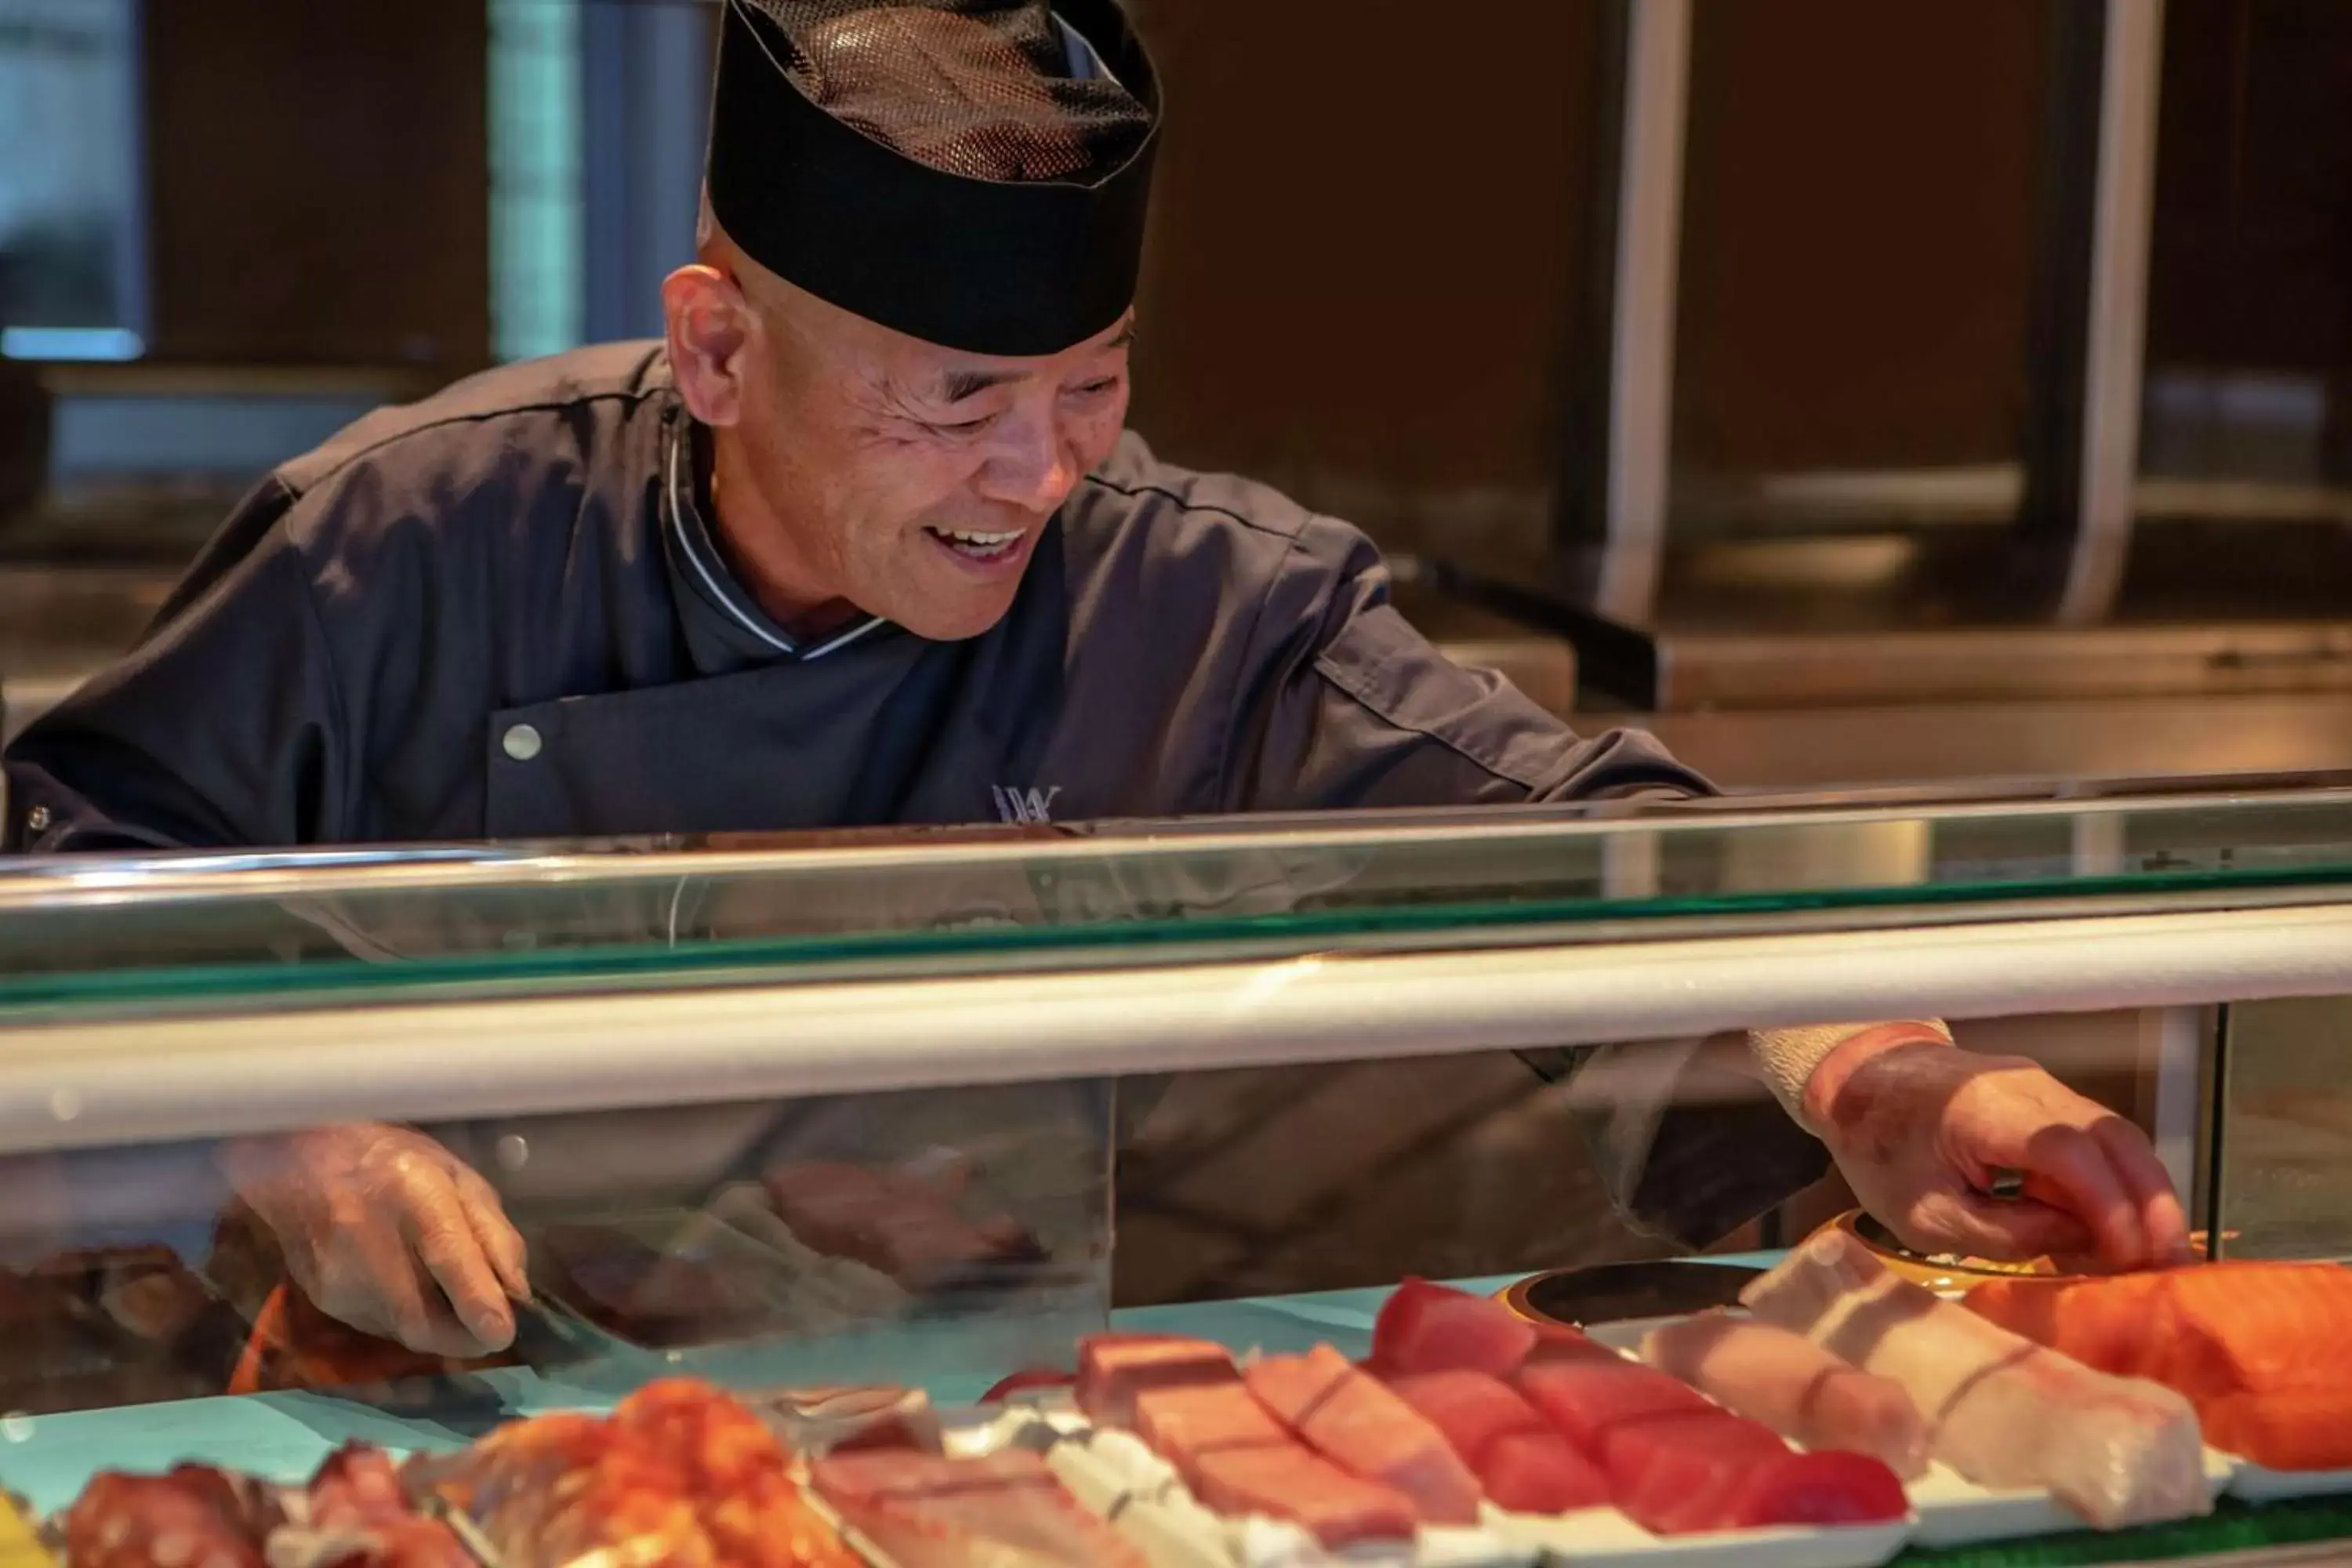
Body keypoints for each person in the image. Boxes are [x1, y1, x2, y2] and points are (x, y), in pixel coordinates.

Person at [0, 0, 2191, 1358]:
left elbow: (1571, 844)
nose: (1040, 473)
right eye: (958, 399)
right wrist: (291, 1122)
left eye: (1095, 384)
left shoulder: (1191, 591)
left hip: (991, 1457)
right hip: (454, 1419)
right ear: (715, 346)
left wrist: (1889, 1074)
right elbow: (63, 855)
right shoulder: (424, 538)